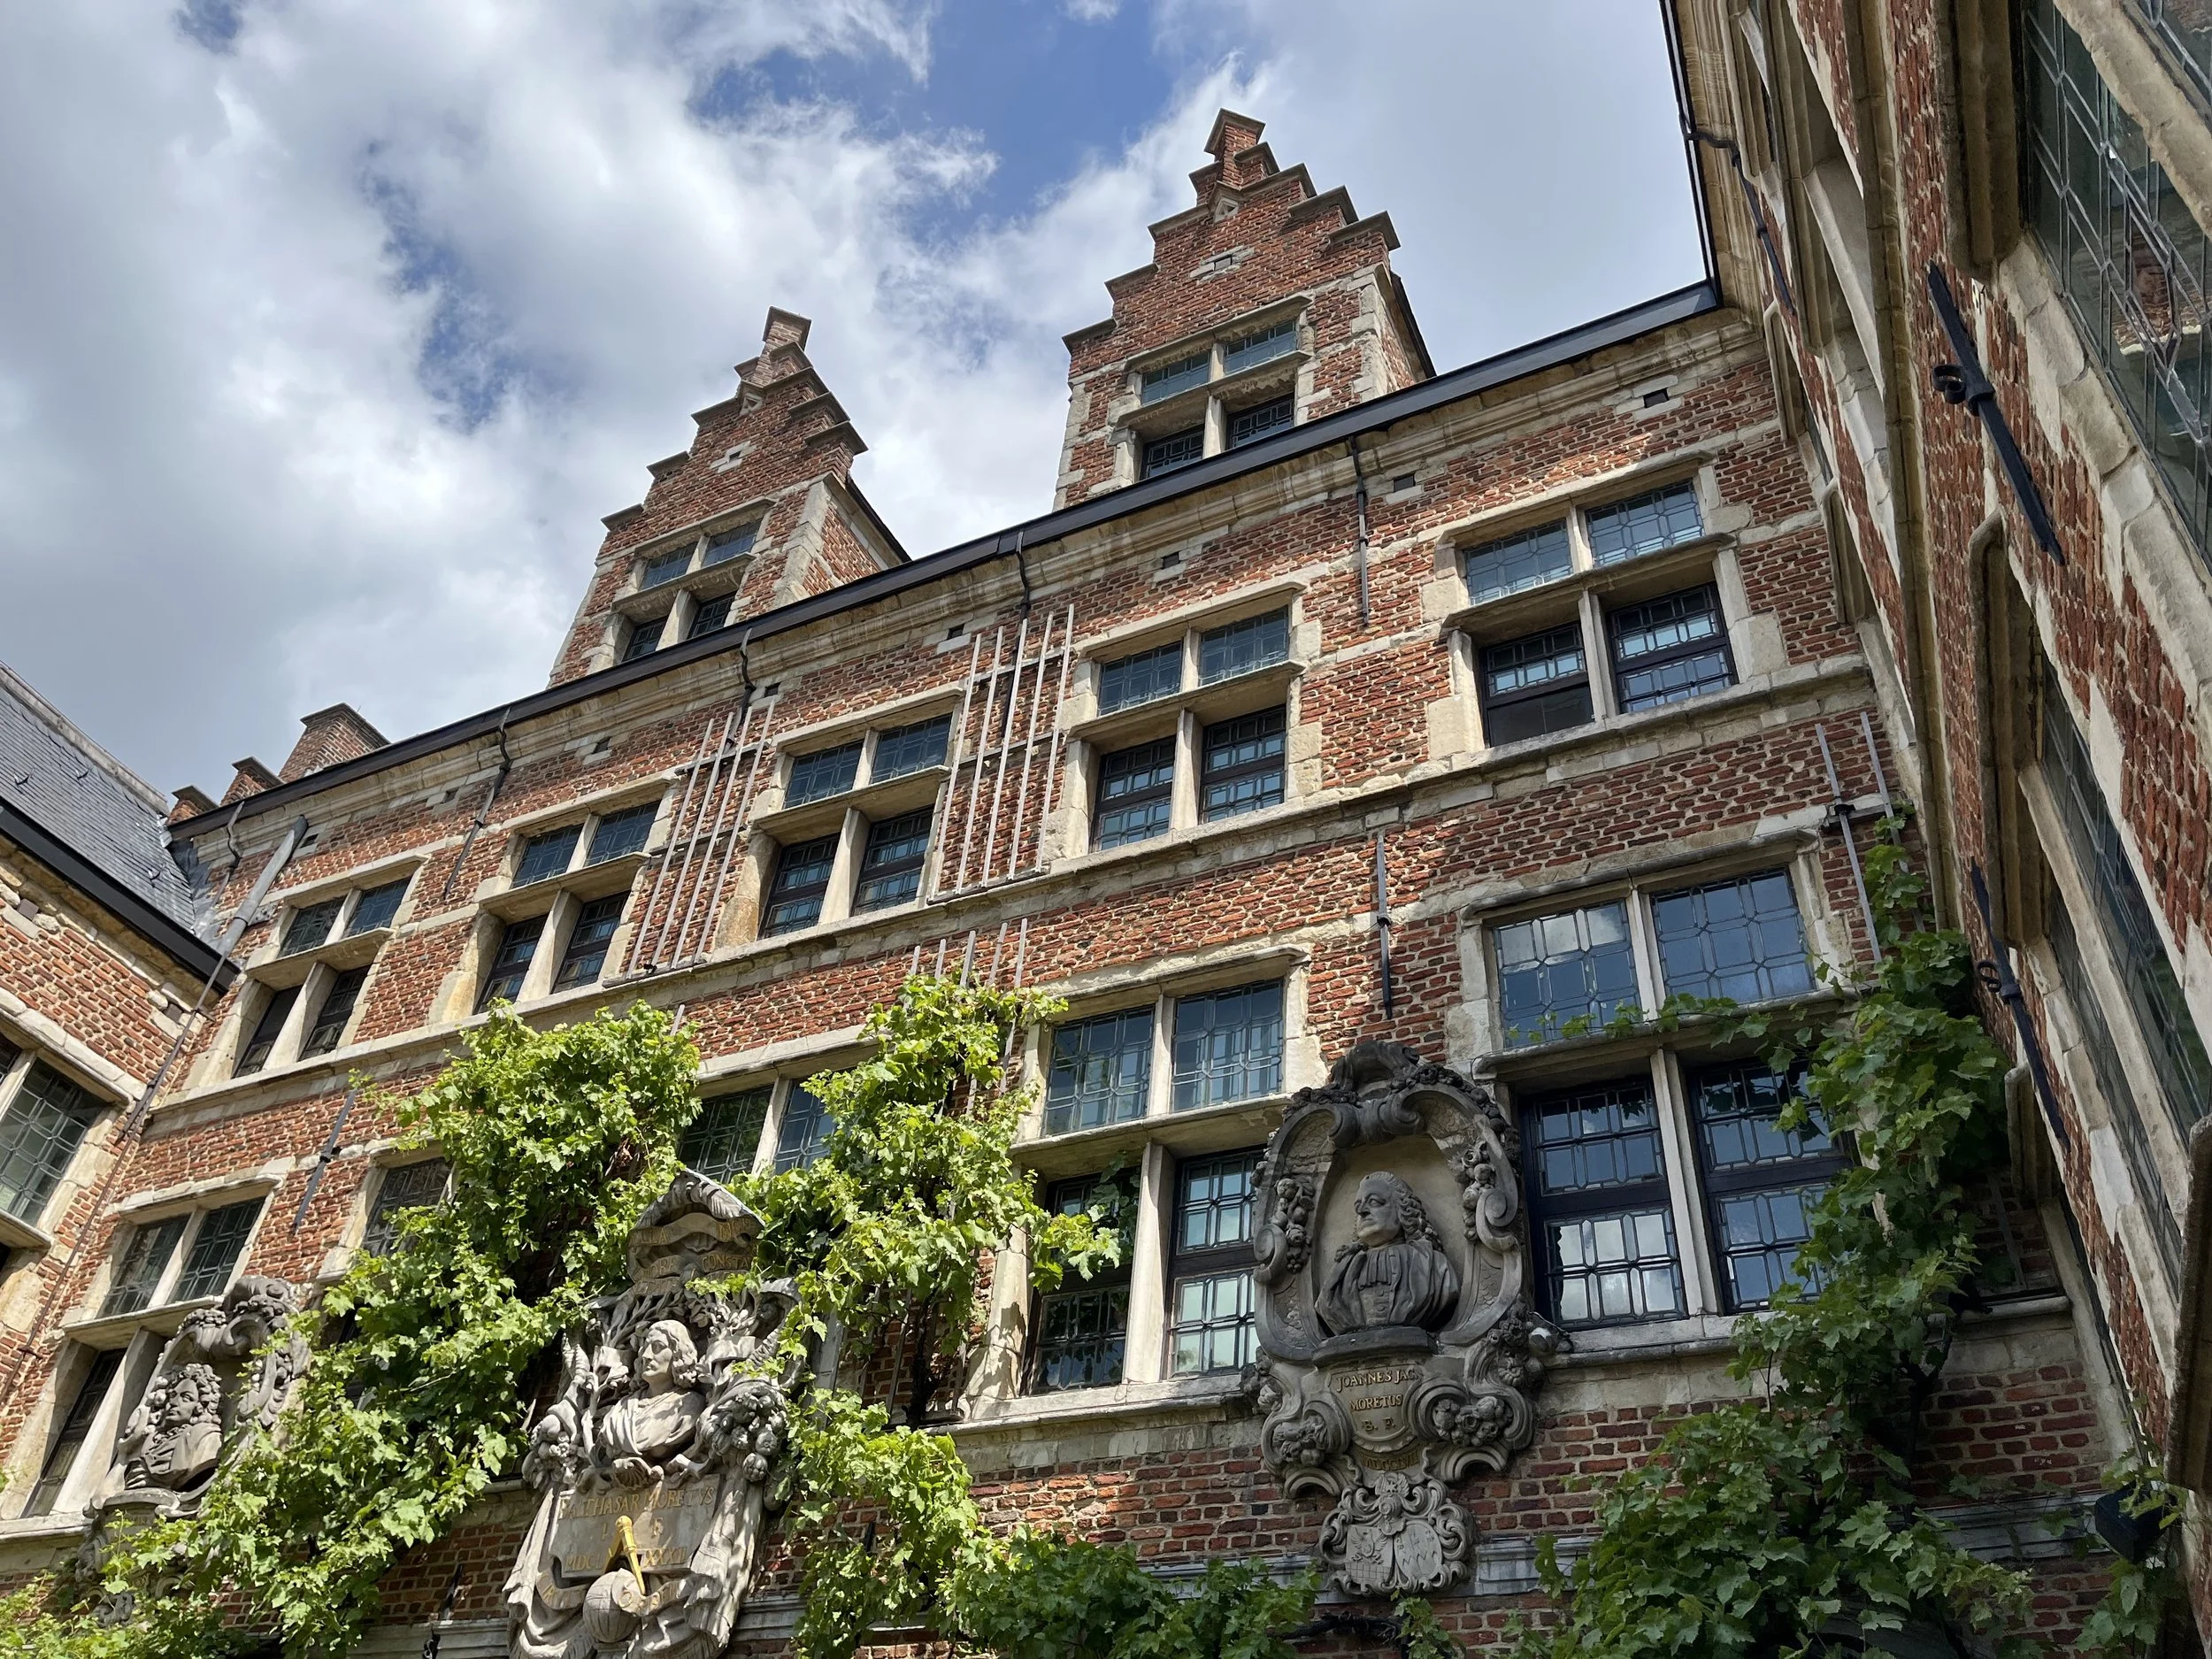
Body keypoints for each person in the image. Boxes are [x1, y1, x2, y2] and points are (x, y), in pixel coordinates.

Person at [1317, 1172, 1459, 1334]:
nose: (1362, 1211)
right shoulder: (1341, 1271)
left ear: (1402, 1210)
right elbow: (1326, 1305)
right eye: (1358, 1207)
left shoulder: (1433, 1264)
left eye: (1374, 1202)